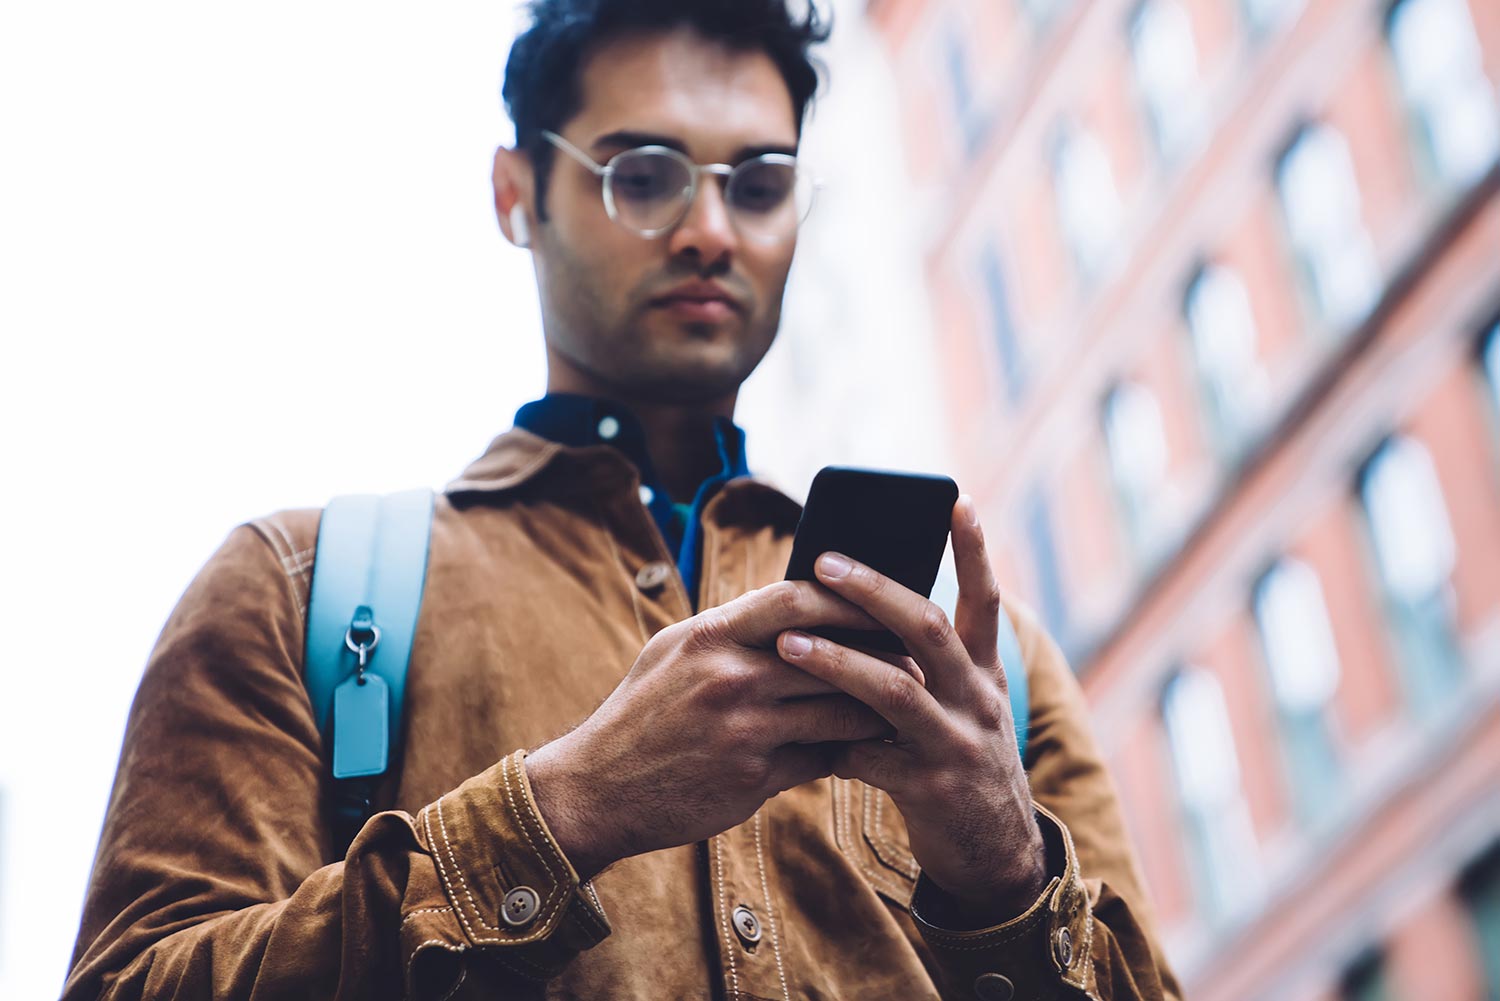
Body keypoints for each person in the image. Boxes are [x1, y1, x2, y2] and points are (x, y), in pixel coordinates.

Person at [64, 1, 1183, 998]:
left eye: (758, 183)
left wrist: (1002, 866)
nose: (709, 229)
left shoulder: (979, 664)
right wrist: (566, 808)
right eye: (641, 174)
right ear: (516, 195)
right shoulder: (293, 589)